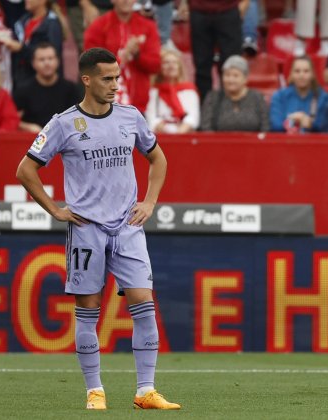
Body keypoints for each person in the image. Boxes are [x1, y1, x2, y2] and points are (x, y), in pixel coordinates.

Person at [15, 47, 180, 410]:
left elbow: (158, 158)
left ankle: (146, 391)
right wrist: (55, 210)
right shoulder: (62, 124)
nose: (115, 85)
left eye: (117, 78)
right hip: (87, 228)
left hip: (127, 225)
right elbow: (26, 170)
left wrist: (150, 201)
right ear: (87, 79)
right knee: (89, 308)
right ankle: (95, 391)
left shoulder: (130, 117)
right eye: (107, 79)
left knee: (144, 303)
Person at [84, 0, 161, 113]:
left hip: (138, 105)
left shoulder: (148, 26)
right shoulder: (98, 26)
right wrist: (122, 57)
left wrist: (137, 55)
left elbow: (155, 65)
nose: (125, 1)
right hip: (105, 106)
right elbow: (89, 66)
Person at [0, 0, 65, 91]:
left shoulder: (52, 24)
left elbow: (51, 55)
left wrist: (21, 48)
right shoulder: (23, 21)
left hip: (43, 85)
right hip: (21, 79)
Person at [14, 42, 81, 133]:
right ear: (33, 63)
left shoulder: (70, 89)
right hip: (33, 141)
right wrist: (28, 127)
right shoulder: (23, 91)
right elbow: (13, 120)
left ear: (58, 61)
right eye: (41, 59)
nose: (47, 63)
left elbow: (80, 118)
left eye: (50, 58)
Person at [188, 0, 243, 101]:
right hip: (199, 11)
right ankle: (205, 106)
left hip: (228, 10)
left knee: (232, 63)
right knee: (201, 63)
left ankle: (232, 105)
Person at [200, 55, 269, 132]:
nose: (230, 80)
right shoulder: (212, 98)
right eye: (227, 75)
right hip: (219, 143)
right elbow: (206, 128)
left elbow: (265, 128)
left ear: (245, 78)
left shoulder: (257, 98)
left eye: (235, 76)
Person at [146, 48, 200, 133]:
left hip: (184, 136)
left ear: (179, 67)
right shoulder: (153, 92)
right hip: (161, 137)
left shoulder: (189, 90)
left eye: (174, 62)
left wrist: (179, 133)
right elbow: (151, 118)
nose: (171, 66)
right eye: (166, 63)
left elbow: (192, 117)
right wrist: (169, 131)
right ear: (160, 67)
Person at [270, 56, 328, 133]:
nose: (301, 75)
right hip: (286, 143)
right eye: (297, 71)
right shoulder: (279, 97)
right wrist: (293, 122)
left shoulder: (324, 98)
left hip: (314, 143)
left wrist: (310, 124)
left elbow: (327, 127)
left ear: (312, 74)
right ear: (291, 74)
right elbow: (275, 126)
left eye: (306, 71)